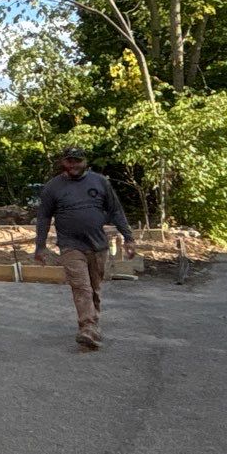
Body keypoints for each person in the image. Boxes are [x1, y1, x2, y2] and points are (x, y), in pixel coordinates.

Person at [31, 147, 136, 350]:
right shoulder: (53, 187)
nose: (73, 165)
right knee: (81, 287)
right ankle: (87, 327)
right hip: (70, 245)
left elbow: (115, 210)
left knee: (94, 288)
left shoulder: (100, 182)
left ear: (85, 161)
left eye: (77, 161)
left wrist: (128, 237)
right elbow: (44, 217)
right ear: (63, 162)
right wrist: (40, 246)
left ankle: (93, 324)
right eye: (69, 161)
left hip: (98, 245)